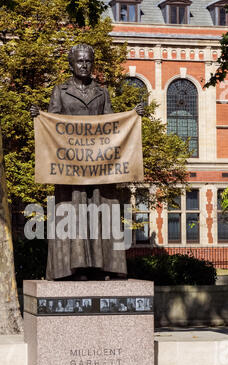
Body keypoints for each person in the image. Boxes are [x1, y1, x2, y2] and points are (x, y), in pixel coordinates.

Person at [31, 43, 144, 281]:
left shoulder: (102, 93)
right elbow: (53, 123)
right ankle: (71, 269)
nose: (84, 65)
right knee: (72, 212)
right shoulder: (60, 91)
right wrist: (39, 116)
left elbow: (114, 125)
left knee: (103, 212)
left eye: (88, 61)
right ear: (71, 64)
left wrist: (133, 115)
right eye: (80, 61)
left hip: (100, 167)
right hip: (70, 169)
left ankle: (104, 268)